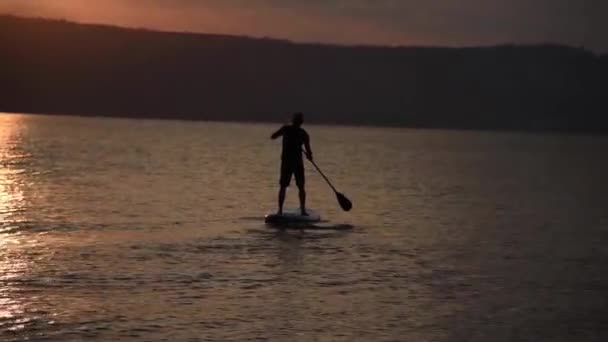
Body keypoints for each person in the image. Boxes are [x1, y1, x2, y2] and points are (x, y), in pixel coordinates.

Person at [271, 112, 313, 216]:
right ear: (301, 122)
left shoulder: (287, 130)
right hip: (296, 163)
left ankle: (280, 211)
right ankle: (302, 211)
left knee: (284, 186)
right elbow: (309, 154)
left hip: (288, 163)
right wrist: (309, 156)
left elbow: (273, 136)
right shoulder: (303, 134)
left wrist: (284, 129)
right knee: (300, 186)